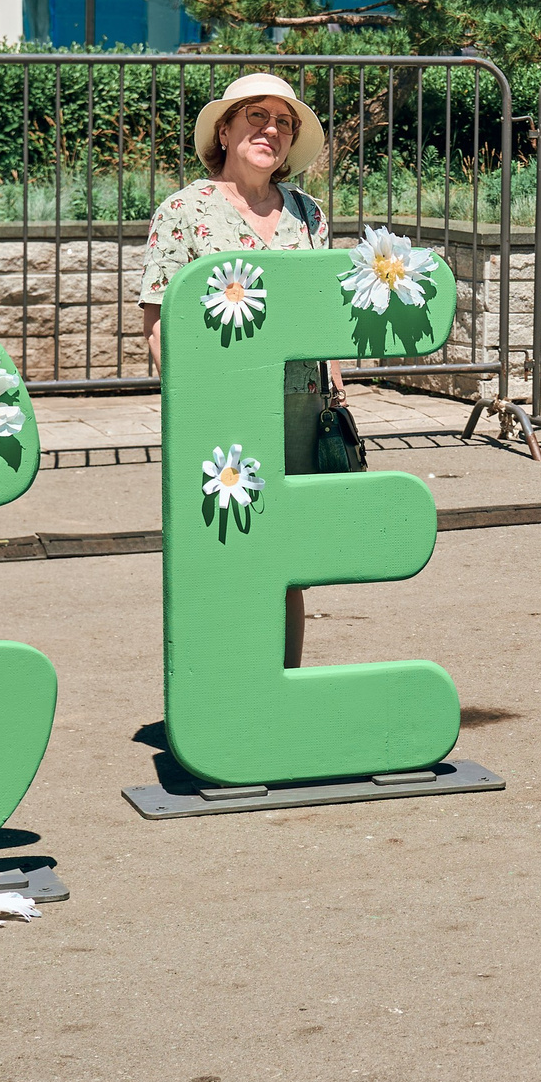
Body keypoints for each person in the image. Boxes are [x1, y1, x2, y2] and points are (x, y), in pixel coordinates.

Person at [139, 72, 340, 663]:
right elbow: (158, 322)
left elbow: (323, 309)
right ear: (224, 131)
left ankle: (286, 685)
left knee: (288, 555)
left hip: (300, 407)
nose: (270, 130)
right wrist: (194, 402)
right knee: (225, 545)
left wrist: (335, 380)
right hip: (223, 408)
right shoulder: (183, 209)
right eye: (255, 116)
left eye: (283, 122)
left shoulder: (309, 212)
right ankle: (225, 689)